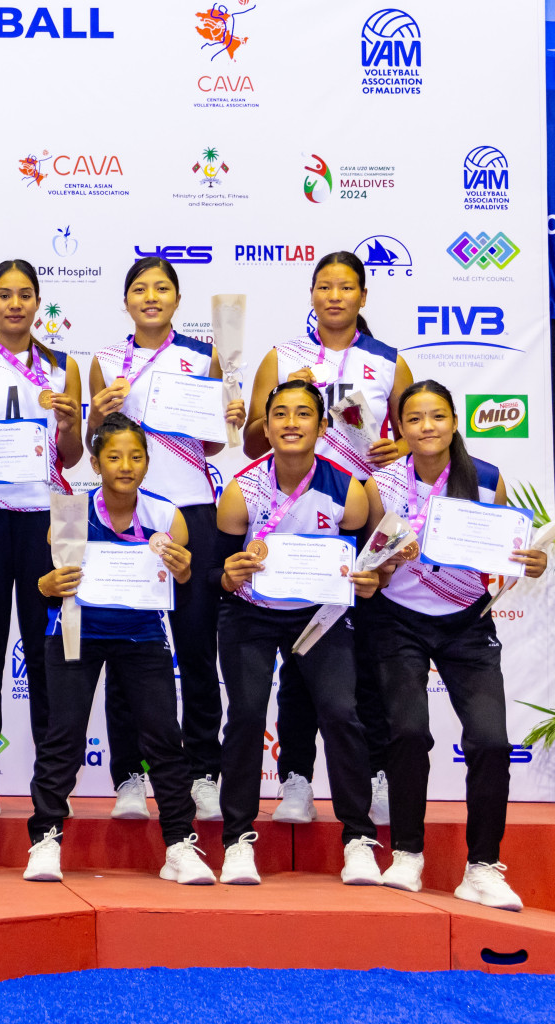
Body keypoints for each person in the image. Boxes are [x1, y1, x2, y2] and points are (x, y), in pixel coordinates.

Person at [245, 252, 415, 828]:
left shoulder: (389, 362)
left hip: (364, 515)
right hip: (297, 518)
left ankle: (373, 774)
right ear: (311, 294)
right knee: (299, 652)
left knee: (363, 652)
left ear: (364, 297)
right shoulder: (284, 357)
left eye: (347, 287)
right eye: (324, 286)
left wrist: (401, 450)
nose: (335, 296)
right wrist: (271, 409)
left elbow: (413, 438)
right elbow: (250, 440)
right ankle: (295, 779)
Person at [365, 380, 545, 910]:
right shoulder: (382, 485)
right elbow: (369, 569)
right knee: (408, 732)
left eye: (437, 417)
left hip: (466, 622)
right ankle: (406, 854)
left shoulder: (486, 479)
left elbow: (508, 554)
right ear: (401, 427)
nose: (427, 427)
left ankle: (482, 867)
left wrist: (527, 562)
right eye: (415, 418)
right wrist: (385, 562)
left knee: (490, 741)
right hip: (399, 621)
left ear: (453, 422)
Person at [85, 257, 245, 823]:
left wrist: (230, 416)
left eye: (161, 288)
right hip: (125, 515)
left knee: (197, 648)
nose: (150, 297)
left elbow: (220, 445)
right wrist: (98, 414)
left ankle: (204, 770)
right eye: (139, 289)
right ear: (125, 300)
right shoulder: (107, 361)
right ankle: (129, 775)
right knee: (126, 645)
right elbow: (89, 445)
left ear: (177, 299)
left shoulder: (205, 357)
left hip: (192, 511)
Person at [25, 414, 214, 885]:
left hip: (141, 635)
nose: (125, 465)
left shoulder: (168, 516)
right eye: (114, 456)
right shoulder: (69, 511)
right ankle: (45, 839)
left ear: (148, 463)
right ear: (95, 462)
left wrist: (186, 571)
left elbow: (180, 590)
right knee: (62, 738)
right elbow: (49, 581)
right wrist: (47, 584)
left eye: (135, 456)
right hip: (75, 630)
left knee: (164, 740)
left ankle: (177, 845)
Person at [215, 380, 383, 886]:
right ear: (265, 428)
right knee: (245, 715)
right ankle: (237, 841)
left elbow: (360, 564)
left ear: (321, 426)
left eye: (303, 414)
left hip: (320, 615)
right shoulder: (241, 491)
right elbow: (213, 578)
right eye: (280, 414)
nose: (291, 422)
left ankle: (357, 839)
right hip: (251, 614)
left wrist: (367, 578)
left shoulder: (349, 492)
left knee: (340, 712)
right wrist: (228, 575)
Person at [0, 260, 84, 816]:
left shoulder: (63, 366)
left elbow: (71, 456)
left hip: (46, 521)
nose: (15, 305)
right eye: (4, 295)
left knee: (47, 651)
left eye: (26, 295)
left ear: (37, 303)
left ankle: (50, 784)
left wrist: (72, 424)